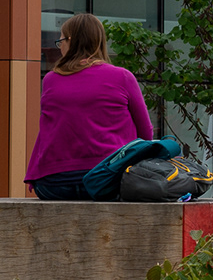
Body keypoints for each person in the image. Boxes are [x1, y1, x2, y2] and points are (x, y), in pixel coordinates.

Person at [25, 13, 153, 201]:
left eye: (61, 41)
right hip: (107, 179)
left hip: (54, 184)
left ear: (71, 41)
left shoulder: (51, 79)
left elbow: (50, 131)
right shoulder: (122, 77)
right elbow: (146, 132)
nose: (60, 47)